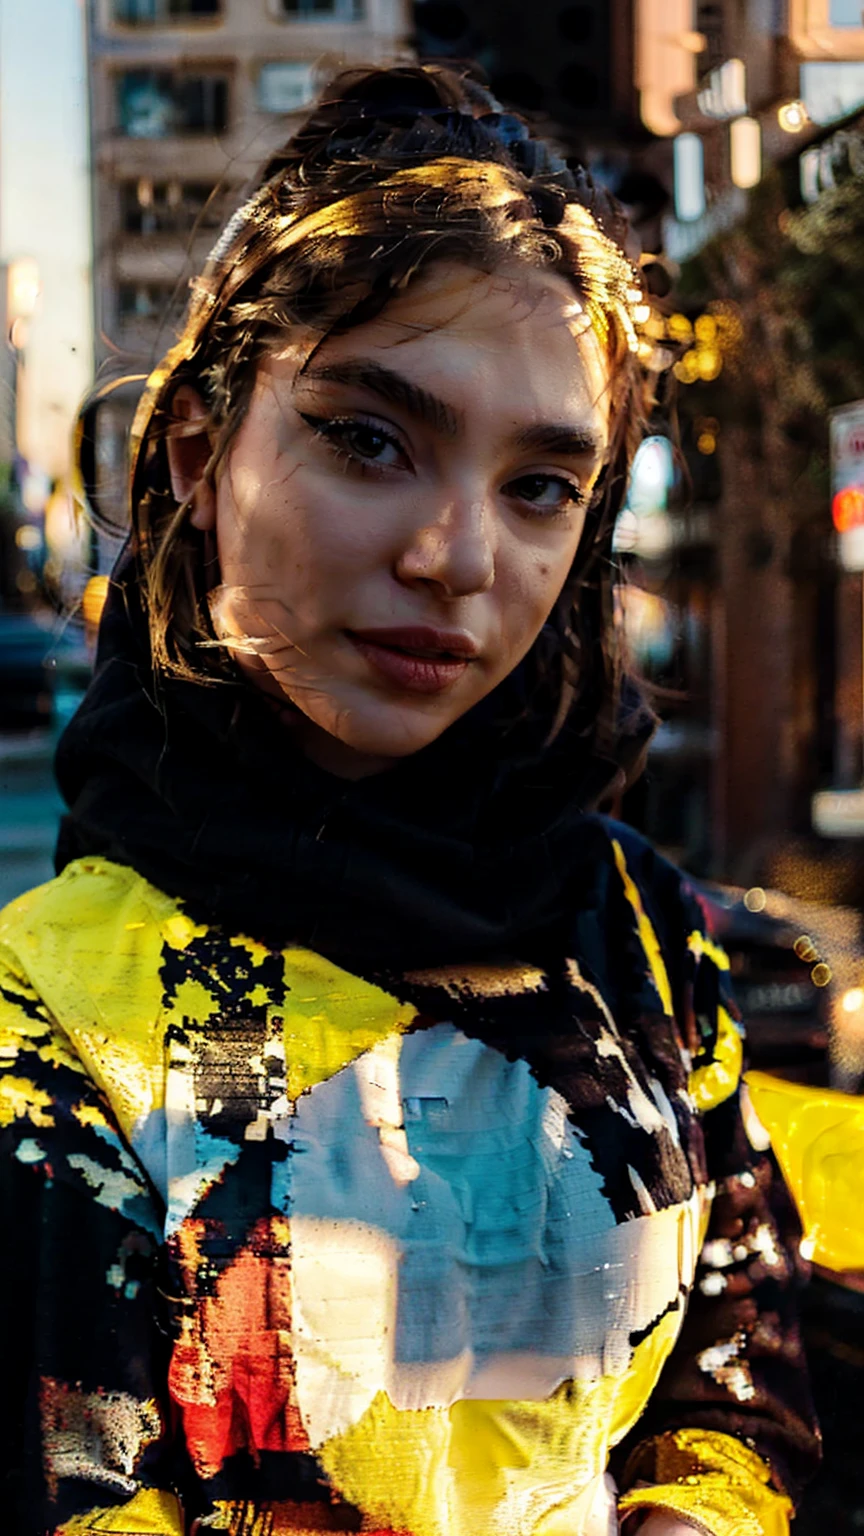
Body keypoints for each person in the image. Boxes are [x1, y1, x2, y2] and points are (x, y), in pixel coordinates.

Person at [0, 64, 819, 1536]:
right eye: (371, 439)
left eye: (541, 485)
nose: (457, 555)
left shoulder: (634, 923)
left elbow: (735, 1333)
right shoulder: (48, 1009)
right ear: (199, 453)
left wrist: (698, 1514)